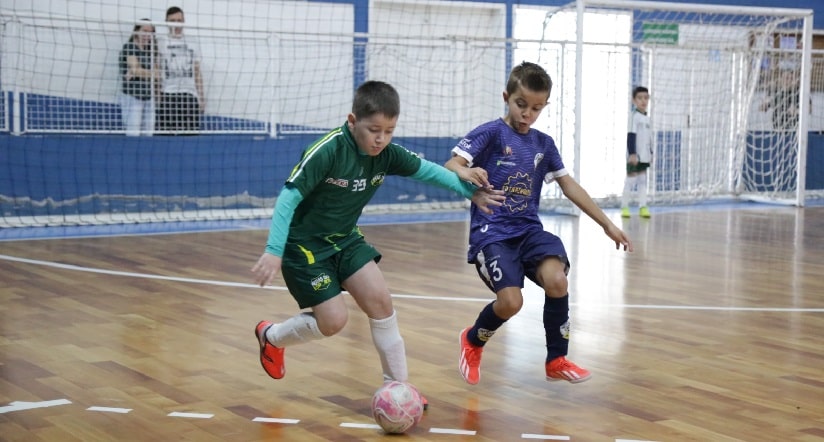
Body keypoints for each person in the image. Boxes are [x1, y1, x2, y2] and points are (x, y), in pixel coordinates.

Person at [251, 80, 505, 406]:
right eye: (374, 130)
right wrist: (273, 251)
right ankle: (271, 337)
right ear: (352, 121)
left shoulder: (386, 154)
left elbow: (428, 172)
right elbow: (288, 198)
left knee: (382, 304)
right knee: (334, 322)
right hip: (305, 247)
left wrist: (472, 191)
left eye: (389, 130)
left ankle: (399, 390)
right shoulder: (327, 150)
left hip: (345, 239)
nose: (381, 139)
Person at [445, 61, 633, 386]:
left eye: (536, 108)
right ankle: (473, 340)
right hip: (492, 236)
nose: (527, 114)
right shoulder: (490, 133)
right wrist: (465, 172)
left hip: (529, 232)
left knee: (557, 281)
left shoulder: (543, 144)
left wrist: (605, 223)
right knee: (511, 303)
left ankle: (556, 359)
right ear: (507, 96)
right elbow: (452, 163)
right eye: (521, 105)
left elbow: (568, 184)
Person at [156, 6, 205, 134]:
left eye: (179, 20)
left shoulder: (193, 42)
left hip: (189, 95)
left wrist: (201, 98)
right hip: (168, 94)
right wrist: (157, 95)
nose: (176, 24)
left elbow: (197, 72)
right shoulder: (160, 42)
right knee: (166, 137)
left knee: (191, 136)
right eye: (173, 21)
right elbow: (156, 70)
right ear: (166, 22)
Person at [118, 19, 159, 136]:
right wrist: (141, 72)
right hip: (133, 97)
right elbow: (136, 70)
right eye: (144, 31)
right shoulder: (129, 47)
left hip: (149, 98)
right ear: (136, 31)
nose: (147, 35)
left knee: (148, 133)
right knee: (133, 134)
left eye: (151, 32)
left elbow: (157, 75)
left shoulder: (151, 51)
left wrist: (140, 71)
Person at [620, 86, 653, 218]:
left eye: (645, 98)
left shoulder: (647, 118)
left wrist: (651, 153)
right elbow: (631, 135)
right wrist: (632, 153)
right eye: (639, 98)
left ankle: (643, 206)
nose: (643, 101)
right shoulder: (634, 117)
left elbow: (649, 138)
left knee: (642, 181)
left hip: (644, 156)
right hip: (635, 156)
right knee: (631, 180)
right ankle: (624, 207)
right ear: (634, 100)